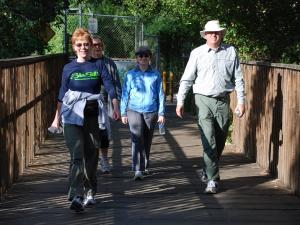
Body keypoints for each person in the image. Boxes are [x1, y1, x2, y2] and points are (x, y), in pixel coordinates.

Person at [50, 28, 120, 212]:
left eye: (86, 44)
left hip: (91, 116)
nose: (83, 48)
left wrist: (116, 107)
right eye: (79, 45)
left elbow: (110, 86)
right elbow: (61, 94)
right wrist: (56, 119)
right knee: (76, 155)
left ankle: (90, 192)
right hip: (72, 116)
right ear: (74, 47)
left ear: (90, 46)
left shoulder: (98, 65)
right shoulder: (69, 68)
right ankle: (76, 195)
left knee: (92, 155)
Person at [176, 20, 245, 194]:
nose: (214, 35)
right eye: (210, 32)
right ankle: (213, 180)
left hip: (223, 100)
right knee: (209, 140)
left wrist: (242, 101)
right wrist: (180, 101)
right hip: (202, 99)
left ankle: (208, 169)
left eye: (217, 32)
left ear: (221, 34)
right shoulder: (197, 53)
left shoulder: (231, 51)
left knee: (220, 139)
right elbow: (187, 78)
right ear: (205, 35)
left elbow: (238, 78)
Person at [120, 46, 165, 180]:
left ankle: (145, 166)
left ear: (149, 57)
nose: (143, 58)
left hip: (151, 110)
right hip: (133, 109)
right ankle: (137, 169)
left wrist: (161, 113)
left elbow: (160, 94)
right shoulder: (130, 75)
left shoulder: (156, 74)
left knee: (147, 139)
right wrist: (123, 112)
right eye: (140, 55)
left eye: (146, 55)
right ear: (137, 58)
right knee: (136, 137)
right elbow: (125, 94)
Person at [91, 35, 122, 174]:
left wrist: (118, 104)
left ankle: (104, 160)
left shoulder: (109, 63)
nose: (97, 47)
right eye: (94, 45)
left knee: (104, 135)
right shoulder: (86, 63)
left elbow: (116, 84)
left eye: (99, 45)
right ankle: (91, 161)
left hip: (106, 104)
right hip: (89, 104)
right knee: (90, 135)